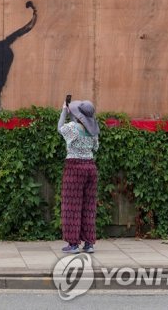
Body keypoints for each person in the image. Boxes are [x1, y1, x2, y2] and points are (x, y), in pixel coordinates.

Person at [58, 98, 100, 254]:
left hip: (74, 168)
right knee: (89, 206)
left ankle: (73, 244)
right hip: (90, 167)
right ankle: (89, 244)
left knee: (71, 206)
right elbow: (95, 148)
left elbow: (59, 128)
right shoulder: (94, 129)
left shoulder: (72, 128)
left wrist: (64, 111)